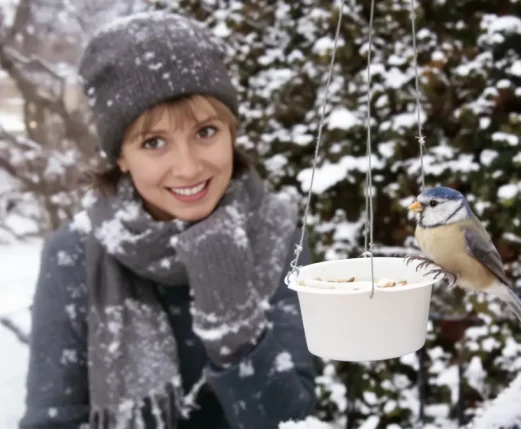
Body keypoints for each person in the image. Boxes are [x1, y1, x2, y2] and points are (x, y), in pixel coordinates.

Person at [19, 10, 317, 429]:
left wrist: (231, 317)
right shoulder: (75, 254)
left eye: (206, 132)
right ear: (121, 156)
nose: (188, 167)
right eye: (154, 142)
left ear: (231, 131)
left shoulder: (279, 234)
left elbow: (291, 419)